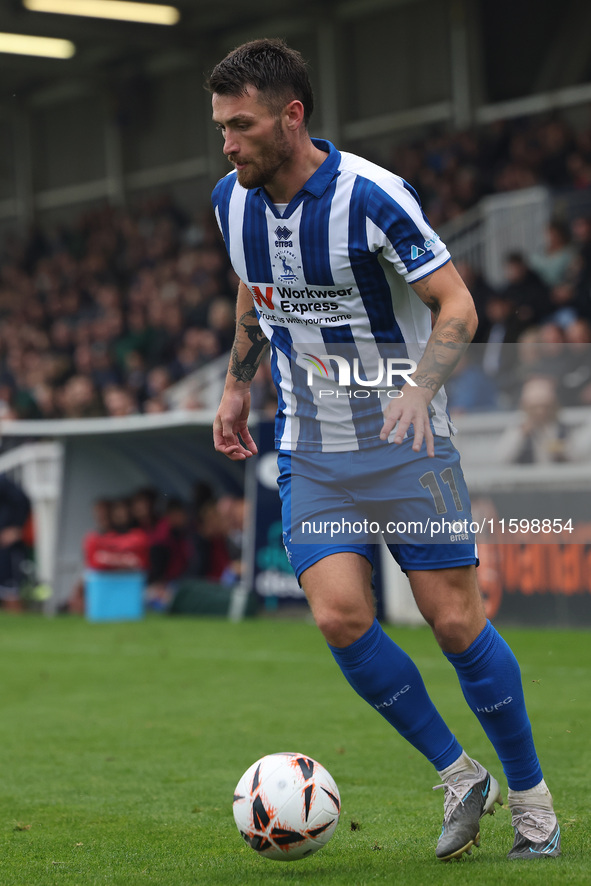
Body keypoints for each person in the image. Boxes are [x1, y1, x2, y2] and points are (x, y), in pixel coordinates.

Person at [207, 39, 560, 861]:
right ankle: (457, 774)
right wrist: (235, 384)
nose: (227, 142)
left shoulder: (370, 196)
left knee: (453, 623)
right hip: (312, 447)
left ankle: (533, 802)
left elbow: (458, 306)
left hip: (406, 442)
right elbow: (253, 289)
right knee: (338, 615)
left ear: (291, 117)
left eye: (241, 124)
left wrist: (418, 388)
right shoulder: (231, 199)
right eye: (220, 126)